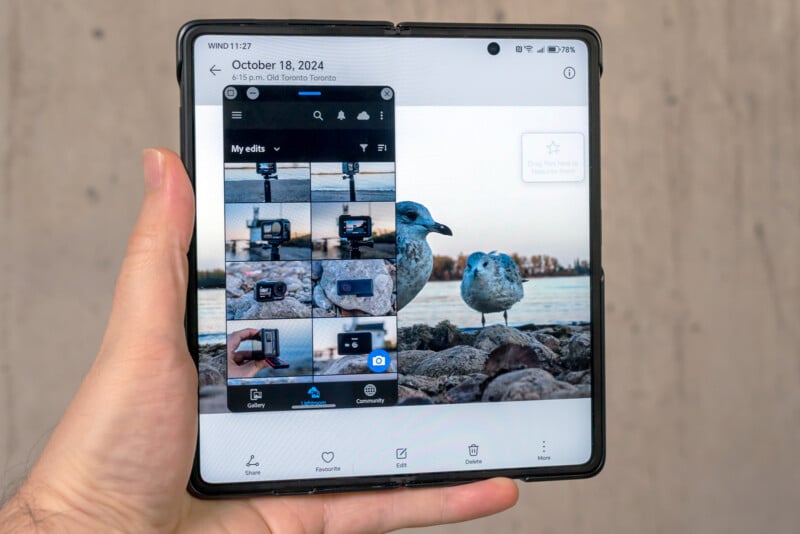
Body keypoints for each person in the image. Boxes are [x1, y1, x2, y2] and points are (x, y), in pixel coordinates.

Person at [0, 149, 518, 532]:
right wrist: (88, 513)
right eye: (412, 218)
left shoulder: (419, 255)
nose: (426, 226)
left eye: (425, 220)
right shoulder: (374, 249)